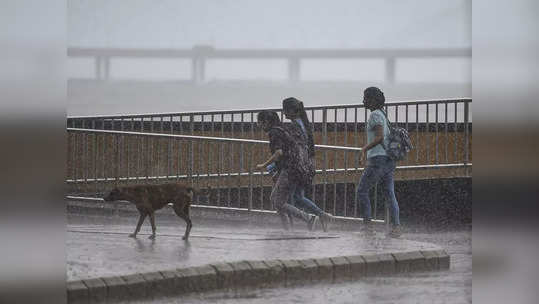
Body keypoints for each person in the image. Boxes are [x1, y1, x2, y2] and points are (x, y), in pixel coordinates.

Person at [256, 110, 318, 231]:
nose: (259, 126)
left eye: (260, 123)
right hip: (295, 168)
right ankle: (288, 229)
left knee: (278, 201)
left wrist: (264, 165)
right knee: (275, 199)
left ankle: (308, 218)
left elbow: (279, 152)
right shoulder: (283, 128)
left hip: (290, 170)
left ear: (267, 122)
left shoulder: (274, 132)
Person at [281, 97, 334, 232]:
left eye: (286, 110)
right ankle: (321, 215)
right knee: (298, 196)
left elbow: (295, 147)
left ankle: (298, 223)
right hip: (305, 165)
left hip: (297, 165)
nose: (284, 113)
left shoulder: (295, 126)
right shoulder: (303, 124)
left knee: (289, 197)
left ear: (293, 110)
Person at [357, 87, 401, 237]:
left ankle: (368, 226)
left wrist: (364, 149)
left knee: (362, 190)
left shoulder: (375, 115)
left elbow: (380, 137)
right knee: (389, 193)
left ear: (373, 100)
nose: (363, 101)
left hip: (378, 159)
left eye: (366, 98)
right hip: (388, 159)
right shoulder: (383, 114)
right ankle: (396, 227)